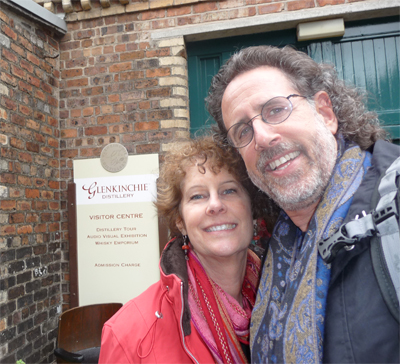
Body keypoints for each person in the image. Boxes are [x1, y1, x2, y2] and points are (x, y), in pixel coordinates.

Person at [206, 45, 399, 363]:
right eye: (243, 130)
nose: (263, 137)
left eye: (276, 109)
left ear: (325, 112)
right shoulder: (276, 249)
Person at [98, 136, 273, 363]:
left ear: (251, 207)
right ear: (180, 221)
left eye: (229, 190)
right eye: (197, 196)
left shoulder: (285, 299)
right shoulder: (129, 333)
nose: (215, 205)